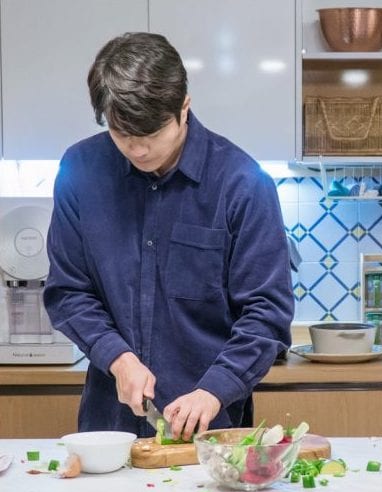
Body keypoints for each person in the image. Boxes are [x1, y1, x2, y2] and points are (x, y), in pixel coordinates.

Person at [43, 32, 294, 440]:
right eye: (123, 134)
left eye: (152, 135)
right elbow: (68, 292)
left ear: (184, 107)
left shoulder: (242, 183)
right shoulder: (80, 171)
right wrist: (118, 357)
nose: (138, 150)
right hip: (109, 428)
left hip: (212, 429)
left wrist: (214, 390)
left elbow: (267, 313)